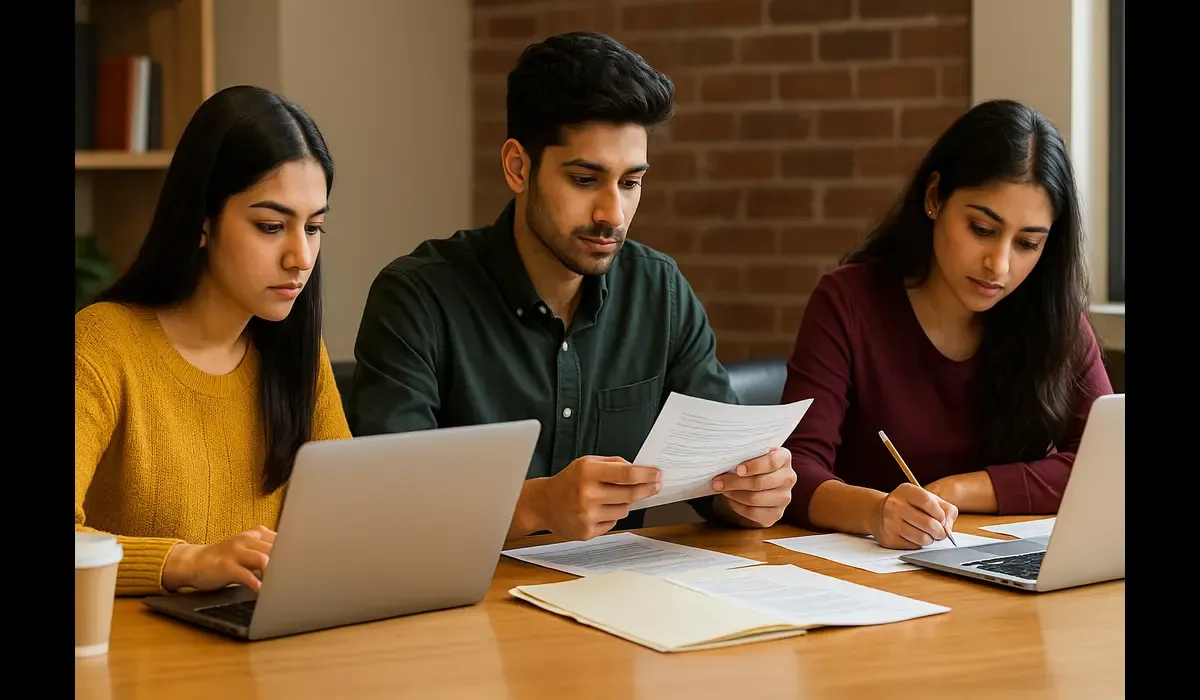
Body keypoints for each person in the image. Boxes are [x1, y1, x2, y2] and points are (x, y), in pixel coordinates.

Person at [347, 31, 796, 540]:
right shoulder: (416, 299)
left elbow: (720, 483)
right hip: (462, 606)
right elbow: (384, 508)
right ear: (518, 168)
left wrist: (751, 494)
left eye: (630, 183)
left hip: (621, 603)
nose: (613, 214)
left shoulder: (660, 292)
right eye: (585, 180)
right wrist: (533, 506)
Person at [779, 98, 1113, 550]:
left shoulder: (1051, 314)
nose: (999, 265)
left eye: (1028, 243)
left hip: (991, 567)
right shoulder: (849, 301)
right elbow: (795, 470)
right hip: (871, 575)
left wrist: (957, 489)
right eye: (982, 228)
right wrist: (877, 512)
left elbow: (1108, 462)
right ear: (934, 197)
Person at [75, 85, 351, 596]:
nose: (301, 257)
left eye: (313, 228)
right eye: (271, 226)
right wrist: (186, 562)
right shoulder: (100, 346)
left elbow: (347, 522)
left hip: (264, 646)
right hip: (138, 661)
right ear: (202, 222)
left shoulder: (296, 352)